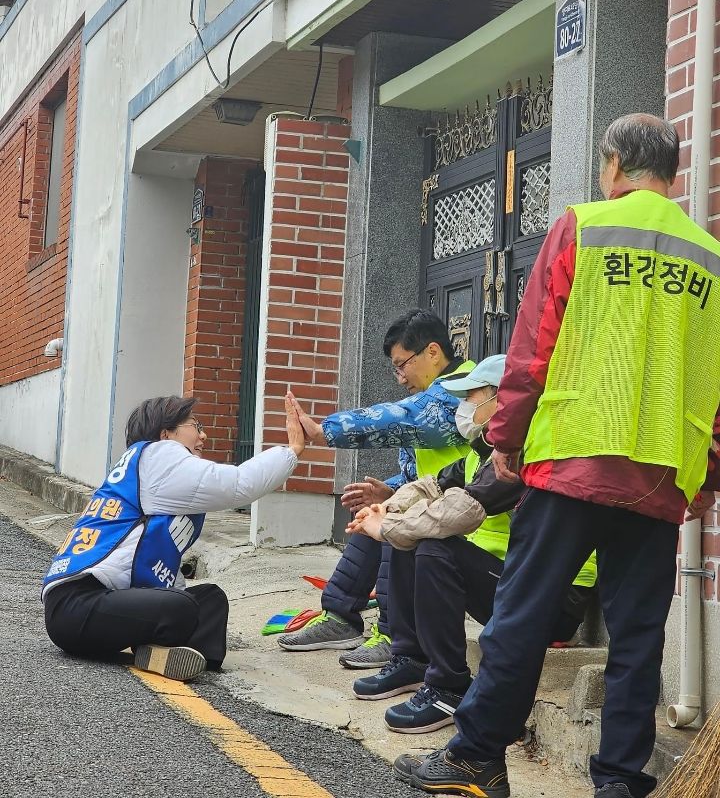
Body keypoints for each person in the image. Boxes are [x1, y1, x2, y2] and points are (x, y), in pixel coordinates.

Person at [395, 114, 720, 798]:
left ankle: (476, 758)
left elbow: (534, 343)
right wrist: (706, 480)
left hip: (571, 462)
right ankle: (620, 783)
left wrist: (505, 439)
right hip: (660, 477)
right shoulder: (708, 257)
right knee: (638, 642)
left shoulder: (585, 226)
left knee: (523, 614)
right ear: (673, 172)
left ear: (612, 165)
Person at [348, 357, 596, 734]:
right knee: (412, 540)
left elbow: (462, 510)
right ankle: (412, 660)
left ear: (505, 399)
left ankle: (449, 687)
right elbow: (430, 485)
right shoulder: (484, 451)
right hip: (515, 585)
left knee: (433, 546)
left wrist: (389, 527)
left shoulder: (523, 452)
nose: (465, 408)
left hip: (554, 603)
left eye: (473, 396)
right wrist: (389, 507)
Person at [42, 394, 305, 682]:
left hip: (97, 607)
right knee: (182, 607)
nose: (203, 435)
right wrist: (292, 450)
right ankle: (157, 649)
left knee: (210, 599)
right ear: (166, 434)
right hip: (78, 607)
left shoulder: (145, 464)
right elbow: (238, 484)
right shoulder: (161, 456)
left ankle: (176, 656)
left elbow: (154, 559)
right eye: (195, 425)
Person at [278, 308, 474, 667]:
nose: (400, 377)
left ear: (433, 352)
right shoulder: (433, 392)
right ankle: (340, 617)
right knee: (375, 516)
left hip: (471, 523)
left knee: (393, 523)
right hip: (443, 507)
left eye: (403, 365)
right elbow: (425, 473)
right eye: (395, 368)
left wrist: (325, 431)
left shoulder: (463, 390)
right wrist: (389, 490)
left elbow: (405, 419)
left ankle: (393, 634)